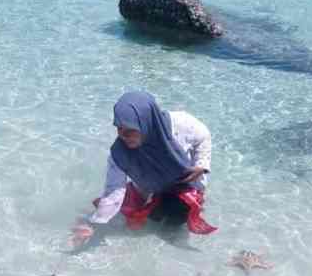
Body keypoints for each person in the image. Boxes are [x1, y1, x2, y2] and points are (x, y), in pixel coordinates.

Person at [72, 91, 217, 247]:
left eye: (130, 131)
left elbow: (204, 136)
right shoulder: (119, 153)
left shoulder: (181, 123)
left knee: (174, 219)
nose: (123, 136)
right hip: (148, 187)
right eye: (119, 129)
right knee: (138, 219)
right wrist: (96, 225)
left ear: (146, 122)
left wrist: (201, 165)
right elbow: (113, 190)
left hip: (186, 181)